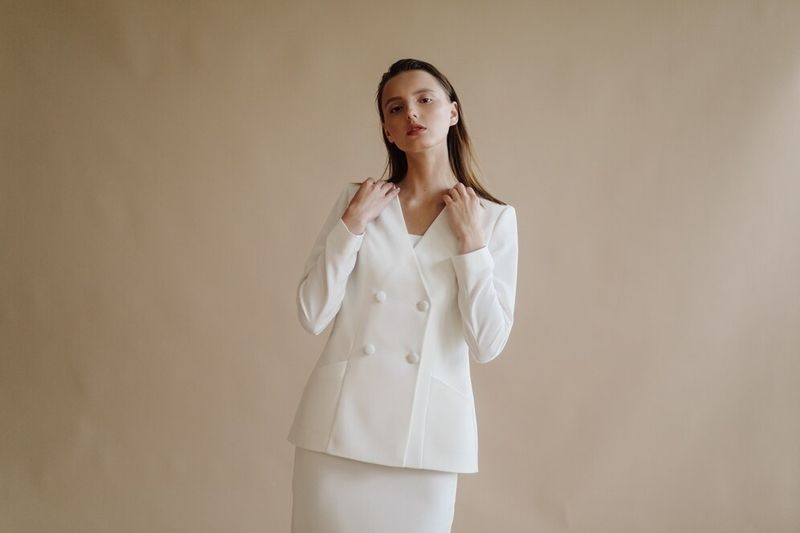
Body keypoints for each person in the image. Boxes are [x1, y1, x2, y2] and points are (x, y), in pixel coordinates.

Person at [287, 58, 518, 533]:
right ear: (388, 131)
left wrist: (473, 246)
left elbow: (488, 343)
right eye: (395, 108)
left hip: (427, 439)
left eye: (424, 100)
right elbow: (312, 313)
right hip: (338, 430)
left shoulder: (492, 219)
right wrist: (352, 225)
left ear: (452, 112)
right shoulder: (360, 201)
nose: (411, 112)